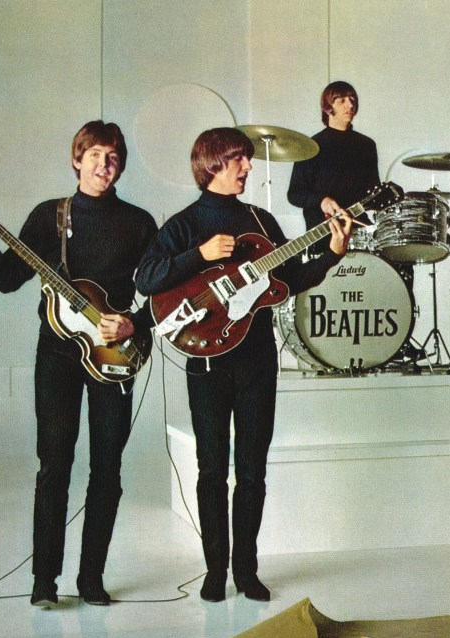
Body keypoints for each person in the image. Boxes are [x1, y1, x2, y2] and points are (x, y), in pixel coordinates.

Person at [135, 127, 353, 602]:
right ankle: (215, 571)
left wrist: (333, 253)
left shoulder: (262, 219)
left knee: (252, 469)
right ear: (213, 163)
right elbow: (147, 277)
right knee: (212, 469)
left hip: (256, 359)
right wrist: (200, 254)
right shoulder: (183, 223)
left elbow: (289, 279)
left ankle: (246, 570)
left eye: (248, 161)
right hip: (206, 361)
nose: (248, 168)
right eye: (240, 160)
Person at [0, 121, 157, 607]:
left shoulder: (138, 222)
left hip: (113, 355)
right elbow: (8, 279)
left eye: (112, 156)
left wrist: (133, 324)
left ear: (121, 164)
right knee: (55, 465)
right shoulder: (49, 217)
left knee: (108, 469)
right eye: (94, 154)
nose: (103, 165)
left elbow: (161, 293)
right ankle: (44, 582)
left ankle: (91, 579)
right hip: (57, 355)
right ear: (77, 159)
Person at [288, 80, 379, 256]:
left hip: (358, 227)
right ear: (328, 107)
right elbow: (295, 194)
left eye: (352, 100)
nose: (350, 105)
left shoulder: (366, 145)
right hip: (322, 233)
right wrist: (322, 201)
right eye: (342, 101)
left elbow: (373, 191)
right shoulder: (311, 146)